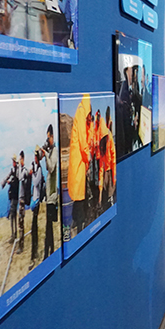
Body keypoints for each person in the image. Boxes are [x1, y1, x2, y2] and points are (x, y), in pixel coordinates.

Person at [68, 95, 92, 240]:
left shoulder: (79, 110)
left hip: (77, 162)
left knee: (78, 199)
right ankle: (79, 231)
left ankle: (75, 227)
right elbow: (83, 141)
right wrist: (89, 157)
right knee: (80, 200)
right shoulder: (82, 112)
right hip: (79, 163)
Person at [39, 125, 58, 260]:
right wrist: (45, 153)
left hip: (52, 194)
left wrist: (46, 154)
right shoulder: (51, 151)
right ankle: (50, 251)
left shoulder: (55, 151)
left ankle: (49, 253)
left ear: (52, 136)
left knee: (49, 226)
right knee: (48, 226)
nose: (47, 141)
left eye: (48, 138)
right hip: (49, 195)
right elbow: (47, 166)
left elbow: (51, 168)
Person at [28, 147, 45, 269]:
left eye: (35, 156)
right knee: (33, 227)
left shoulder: (39, 170)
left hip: (37, 201)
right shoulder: (35, 167)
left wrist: (32, 172)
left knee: (34, 227)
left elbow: (35, 182)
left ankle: (34, 254)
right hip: (34, 199)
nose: (34, 158)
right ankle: (33, 252)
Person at [1, 154, 20, 243]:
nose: (12, 163)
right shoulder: (14, 170)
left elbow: (16, 183)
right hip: (13, 196)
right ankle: (13, 234)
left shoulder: (17, 171)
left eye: (13, 161)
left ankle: (14, 235)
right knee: (13, 215)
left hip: (15, 196)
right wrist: (5, 181)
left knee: (13, 216)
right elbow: (9, 175)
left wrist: (9, 182)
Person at [17, 151, 30, 254]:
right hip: (20, 199)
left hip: (22, 200)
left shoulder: (25, 171)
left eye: (20, 159)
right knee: (20, 223)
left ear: (23, 159)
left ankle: (21, 246)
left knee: (21, 223)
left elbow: (21, 178)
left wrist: (20, 167)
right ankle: (20, 243)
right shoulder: (21, 170)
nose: (19, 161)